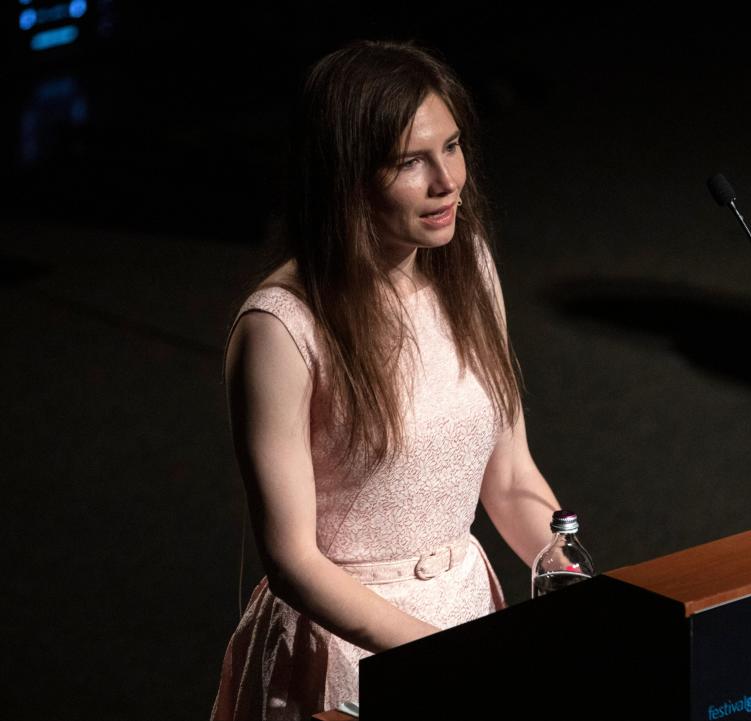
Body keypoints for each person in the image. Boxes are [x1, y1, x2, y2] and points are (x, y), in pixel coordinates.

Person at [210, 39, 562, 719]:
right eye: (411, 162)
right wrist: (439, 656)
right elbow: (292, 560)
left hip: (465, 612)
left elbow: (513, 479)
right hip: (347, 648)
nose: (448, 180)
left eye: (453, 147)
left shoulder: (472, 270)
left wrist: (574, 576)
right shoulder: (281, 327)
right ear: (347, 174)